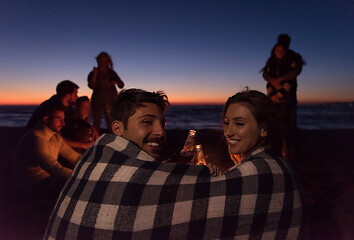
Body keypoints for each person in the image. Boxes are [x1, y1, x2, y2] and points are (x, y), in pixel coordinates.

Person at [45, 89, 306, 239]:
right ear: (117, 129)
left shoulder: (271, 171)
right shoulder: (99, 161)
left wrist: (204, 181)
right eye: (147, 122)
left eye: (163, 123)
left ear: (263, 130)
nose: (160, 132)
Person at [13, 103, 82, 198]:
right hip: (34, 187)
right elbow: (55, 169)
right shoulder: (36, 139)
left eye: (63, 119)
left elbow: (74, 157)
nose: (63, 123)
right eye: (59, 119)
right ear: (46, 119)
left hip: (49, 180)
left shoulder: (55, 137)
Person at [261, 34, 305, 161]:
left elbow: (295, 71)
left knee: (289, 124)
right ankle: (278, 150)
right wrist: (272, 86)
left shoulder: (293, 57)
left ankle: (290, 151)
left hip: (288, 96)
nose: (281, 51)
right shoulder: (271, 60)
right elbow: (265, 73)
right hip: (273, 97)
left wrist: (279, 80)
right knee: (275, 123)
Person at [88, 51, 125, 133]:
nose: (102, 63)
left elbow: (121, 85)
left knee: (111, 121)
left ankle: (112, 140)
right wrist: (94, 74)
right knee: (96, 122)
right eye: (101, 61)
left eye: (105, 61)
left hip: (111, 100)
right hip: (97, 101)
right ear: (98, 61)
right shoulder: (93, 72)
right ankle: (96, 140)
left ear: (108, 62)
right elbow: (92, 86)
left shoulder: (111, 73)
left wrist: (115, 82)